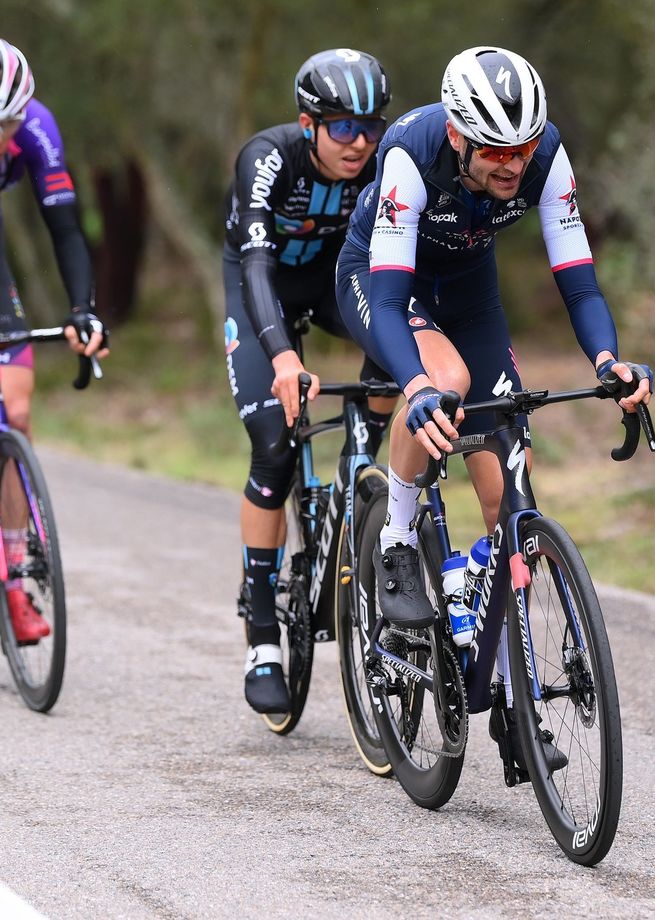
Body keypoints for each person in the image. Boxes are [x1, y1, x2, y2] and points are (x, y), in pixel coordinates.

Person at [336, 46, 652, 768]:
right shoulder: (411, 152)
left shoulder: (546, 156)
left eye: (525, 147)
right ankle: (396, 541)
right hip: (382, 277)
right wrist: (414, 387)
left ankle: (509, 687)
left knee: (511, 485)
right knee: (441, 378)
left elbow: (578, 280)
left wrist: (609, 361)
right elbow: (387, 298)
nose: (515, 164)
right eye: (498, 152)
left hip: (469, 283)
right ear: (458, 137)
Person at [223, 48, 397, 714]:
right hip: (257, 286)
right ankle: (262, 631)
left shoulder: (384, 162)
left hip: (332, 284)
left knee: (396, 343)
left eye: (371, 126)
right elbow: (258, 266)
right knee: (273, 442)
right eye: (344, 127)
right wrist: (283, 356)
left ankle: (361, 463)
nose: (360, 142)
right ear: (308, 124)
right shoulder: (267, 159)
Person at [0, 39, 108, 644]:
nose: (2, 135)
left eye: (7, 122)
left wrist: (81, 312)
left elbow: (65, 230)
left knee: (14, 408)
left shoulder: (36, 130)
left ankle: (16, 577)